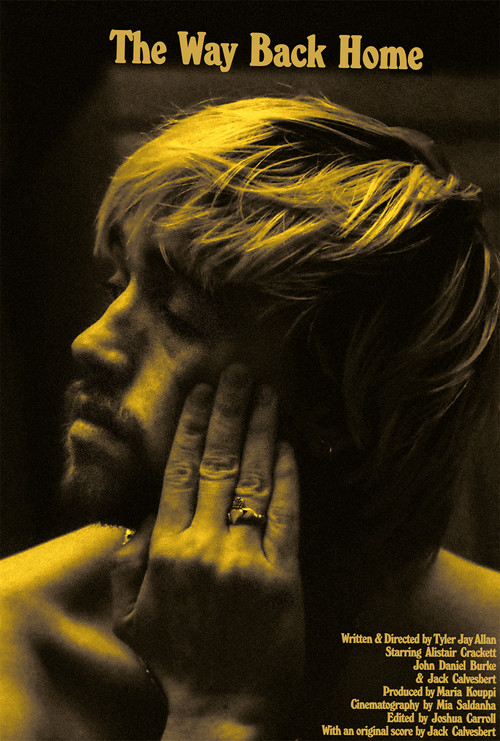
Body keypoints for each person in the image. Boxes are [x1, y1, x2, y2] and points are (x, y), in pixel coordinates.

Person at [1, 96, 498, 741]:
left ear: (340, 405)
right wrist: (214, 715)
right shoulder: (17, 651)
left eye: (179, 316)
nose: (89, 343)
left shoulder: (478, 666)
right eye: (116, 287)